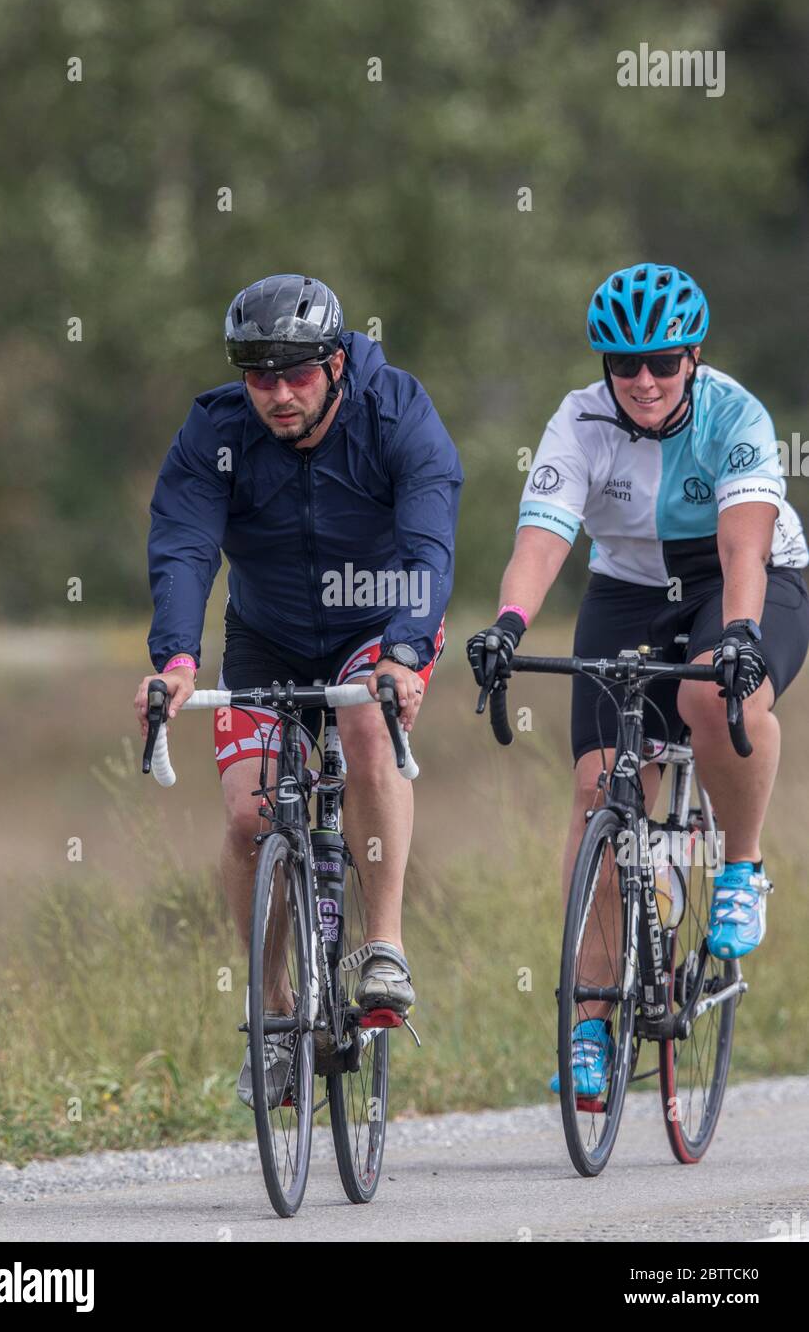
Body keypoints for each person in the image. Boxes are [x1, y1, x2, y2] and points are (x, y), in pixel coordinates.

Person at [467, 262, 809, 1096]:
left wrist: (737, 637)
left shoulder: (737, 415)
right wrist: (509, 625)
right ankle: (589, 1024)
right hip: (625, 586)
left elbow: (742, 548)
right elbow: (544, 538)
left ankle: (740, 867)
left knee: (709, 691)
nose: (644, 380)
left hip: (741, 575)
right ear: (604, 367)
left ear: (692, 356)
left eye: (662, 361)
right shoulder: (578, 420)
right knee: (597, 798)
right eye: (625, 365)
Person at [135, 273, 462, 1106]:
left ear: (338, 362)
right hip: (267, 633)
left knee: (363, 735)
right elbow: (183, 548)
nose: (278, 395)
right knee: (250, 818)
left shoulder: (396, 411)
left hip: (379, 626)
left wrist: (406, 652)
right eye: (259, 376)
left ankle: (382, 944)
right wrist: (175, 661)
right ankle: (273, 1014)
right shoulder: (214, 430)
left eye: (297, 374)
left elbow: (429, 544)